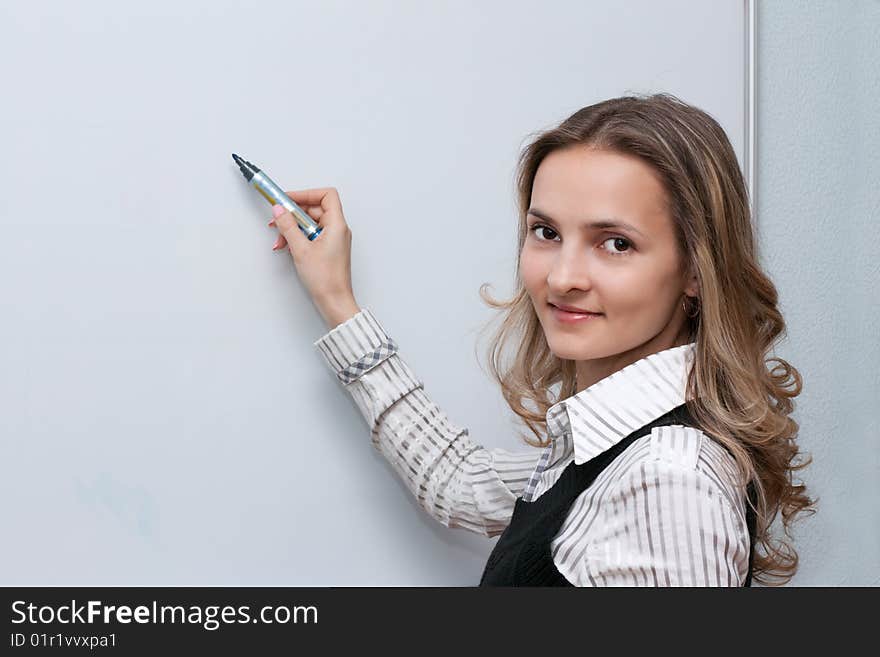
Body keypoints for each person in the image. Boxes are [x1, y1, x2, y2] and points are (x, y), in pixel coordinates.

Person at [266, 92, 816, 587]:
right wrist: (337, 300)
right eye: (546, 233)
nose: (561, 278)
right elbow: (457, 479)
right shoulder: (606, 442)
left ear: (696, 271)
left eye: (616, 243)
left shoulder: (668, 479)